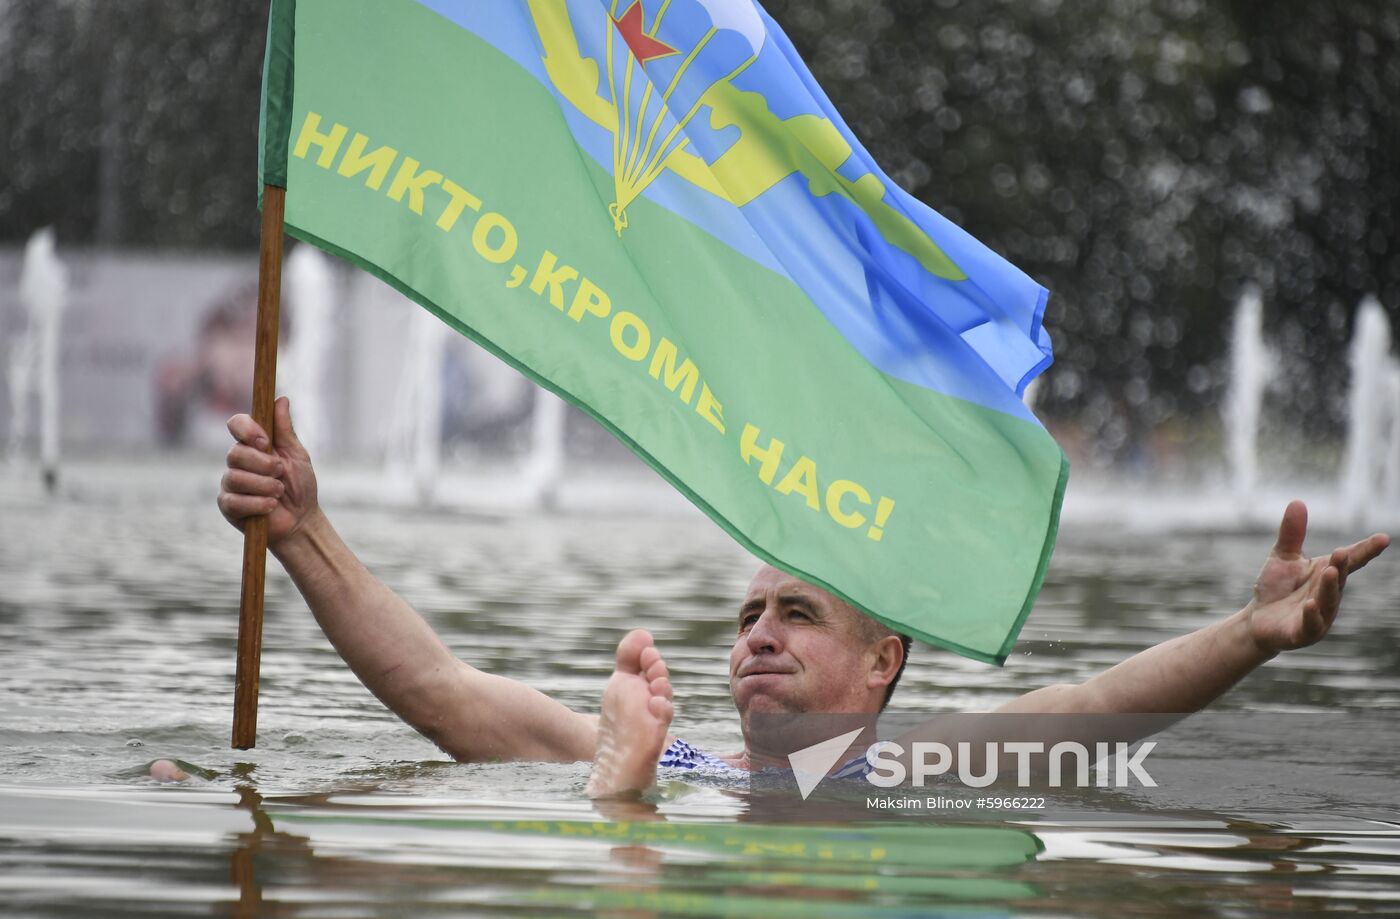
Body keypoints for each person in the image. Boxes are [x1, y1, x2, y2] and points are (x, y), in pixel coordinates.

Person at [217, 398, 1389, 797]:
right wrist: (304, 531)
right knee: (611, 783)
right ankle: (612, 825)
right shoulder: (685, 760)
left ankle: (613, 829)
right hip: (665, 815)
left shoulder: (912, 771)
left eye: (797, 614)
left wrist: (1248, 635)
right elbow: (437, 689)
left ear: (883, 662)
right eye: (744, 617)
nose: (757, 636)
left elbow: (1093, 698)